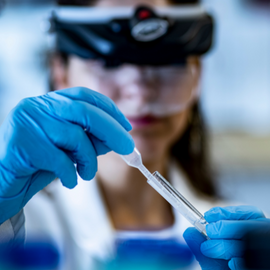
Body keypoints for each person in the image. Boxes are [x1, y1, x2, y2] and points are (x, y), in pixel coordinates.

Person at [2, 0, 261, 269]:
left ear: (197, 75)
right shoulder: (18, 221)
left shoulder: (242, 242)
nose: (141, 91)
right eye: (111, 62)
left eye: (165, 60)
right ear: (61, 72)